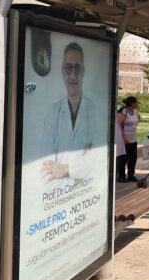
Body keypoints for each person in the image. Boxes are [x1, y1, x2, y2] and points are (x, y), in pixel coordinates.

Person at [40, 42, 103, 183]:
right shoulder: (53, 113)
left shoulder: (93, 110)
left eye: (77, 68)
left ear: (83, 72)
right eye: (69, 68)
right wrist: (80, 167)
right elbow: (46, 166)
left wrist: (65, 170)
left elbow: (96, 159)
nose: (73, 75)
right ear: (62, 71)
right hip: (57, 195)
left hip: (85, 191)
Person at [116, 96, 141, 182]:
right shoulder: (123, 112)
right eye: (136, 102)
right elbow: (119, 125)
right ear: (132, 103)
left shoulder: (135, 112)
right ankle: (121, 176)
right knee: (124, 158)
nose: (137, 104)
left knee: (133, 157)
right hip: (125, 138)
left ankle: (131, 175)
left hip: (133, 138)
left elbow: (138, 119)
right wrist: (123, 138)